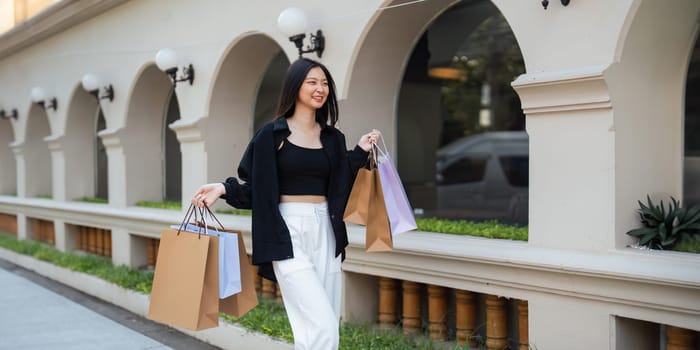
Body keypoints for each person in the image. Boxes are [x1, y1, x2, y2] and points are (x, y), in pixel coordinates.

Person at [191, 57, 380, 350]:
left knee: (314, 330)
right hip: (286, 231)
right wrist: (224, 189)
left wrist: (360, 152)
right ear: (296, 86)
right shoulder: (272, 136)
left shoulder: (332, 138)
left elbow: (341, 184)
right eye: (312, 82)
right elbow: (257, 190)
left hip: (327, 231)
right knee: (323, 326)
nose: (321, 89)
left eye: (325, 83)